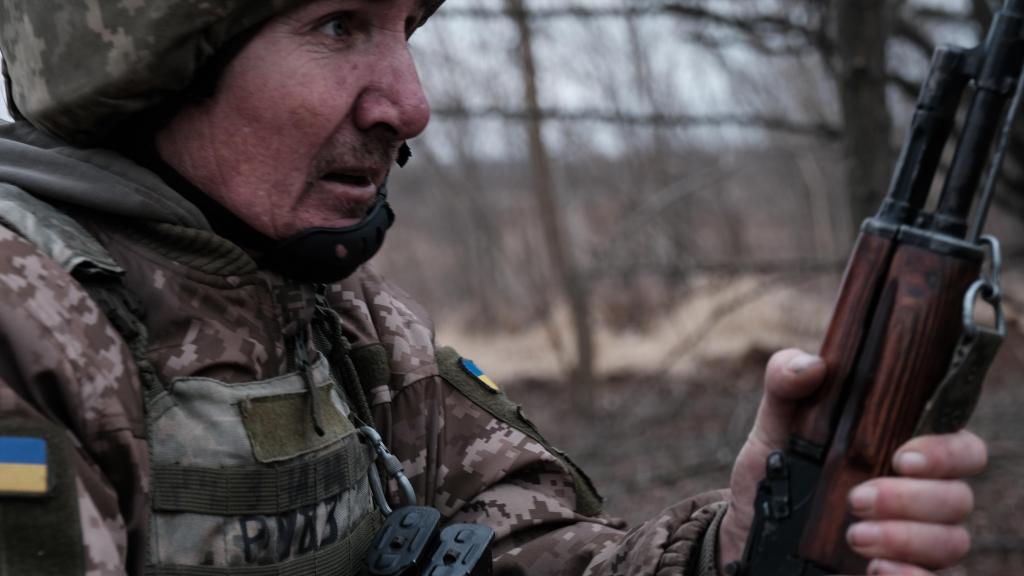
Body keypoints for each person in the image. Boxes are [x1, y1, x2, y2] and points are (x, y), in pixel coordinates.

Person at [0, 1, 986, 575]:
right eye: (340, 24)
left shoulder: (338, 319)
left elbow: (513, 552)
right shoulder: (31, 326)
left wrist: (731, 546)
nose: (411, 104)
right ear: (151, 65)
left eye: (405, 27)